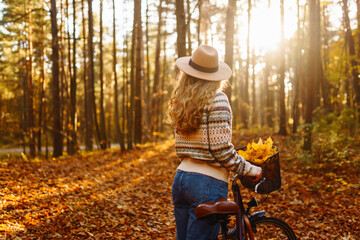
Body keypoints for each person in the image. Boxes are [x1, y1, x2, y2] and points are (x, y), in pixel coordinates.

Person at [167, 44, 262, 240]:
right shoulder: (217, 100)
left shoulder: (183, 101)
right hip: (206, 184)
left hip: (181, 179)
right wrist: (249, 169)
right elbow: (221, 149)